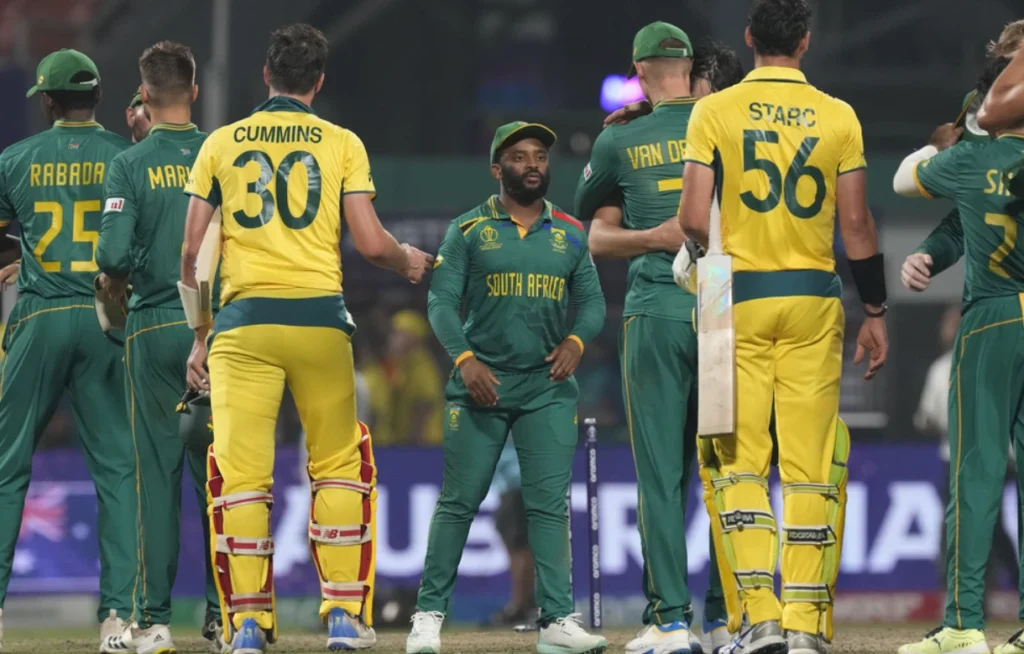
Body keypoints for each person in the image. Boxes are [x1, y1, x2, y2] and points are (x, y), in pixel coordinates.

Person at [178, 23, 432, 654]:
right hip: (319, 321)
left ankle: (246, 626)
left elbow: (191, 255)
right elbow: (371, 243)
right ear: (318, 81)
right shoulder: (342, 142)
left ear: (266, 75)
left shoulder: (221, 144)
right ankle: (345, 617)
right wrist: (409, 263)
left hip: (242, 327)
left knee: (241, 478)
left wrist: (201, 335)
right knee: (340, 469)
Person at [677, 1, 889, 652]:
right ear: (805, 40)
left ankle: (760, 619)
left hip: (733, 299)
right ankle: (805, 628)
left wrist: (709, 263)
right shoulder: (838, 115)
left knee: (738, 461)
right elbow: (855, 227)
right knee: (808, 469)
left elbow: (690, 215)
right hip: (812, 300)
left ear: (749, 38)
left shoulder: (713, 110)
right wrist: (875, 311)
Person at [405, 121, 607, 654]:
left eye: (540, 155)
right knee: (459, 503)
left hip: (546, 387)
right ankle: (427, 617)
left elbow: (591, 305)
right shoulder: (468, 230)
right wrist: (465, 360)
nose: (533, 164)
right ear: (498, 169)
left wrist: (577, 342)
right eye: (519, 156)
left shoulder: (569, 231)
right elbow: (441, 303)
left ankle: (557, 623)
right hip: (482, 386)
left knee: (548, 506)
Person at [574, 25, 744, 654]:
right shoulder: (731, 126)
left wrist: (654, 235)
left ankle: (671, 622)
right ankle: (733, 619)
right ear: (690, 67)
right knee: (731, 469)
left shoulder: (621, 136)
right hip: (727, 306)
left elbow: (591, 227)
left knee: (660, 475)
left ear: (640, 69)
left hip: (656, 307)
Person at [0, 48, 138, 653]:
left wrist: (17, 262)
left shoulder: (14, 159)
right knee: (118, 471)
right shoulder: (125, 158)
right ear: (99, 98)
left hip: (41, 315)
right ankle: (117, 619)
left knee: (6, 469)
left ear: (49, 102)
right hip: (106, 316)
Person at [95, 41, 227, 654]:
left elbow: (114, 256)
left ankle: (153, 624)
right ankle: (229, 617)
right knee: (222, 479)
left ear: (144, 96)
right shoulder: (224, 152)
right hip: (224, 329)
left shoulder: (130, 164)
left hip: (154, 324)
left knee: (155, 475)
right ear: (194, 92)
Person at [893, 52, 1024, 654]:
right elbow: (963, 224)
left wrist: (964, 130)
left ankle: (964, 625)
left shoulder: (974, 155)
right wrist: (931, 253)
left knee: (974, 475)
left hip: (993, 320)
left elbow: (905, 178)